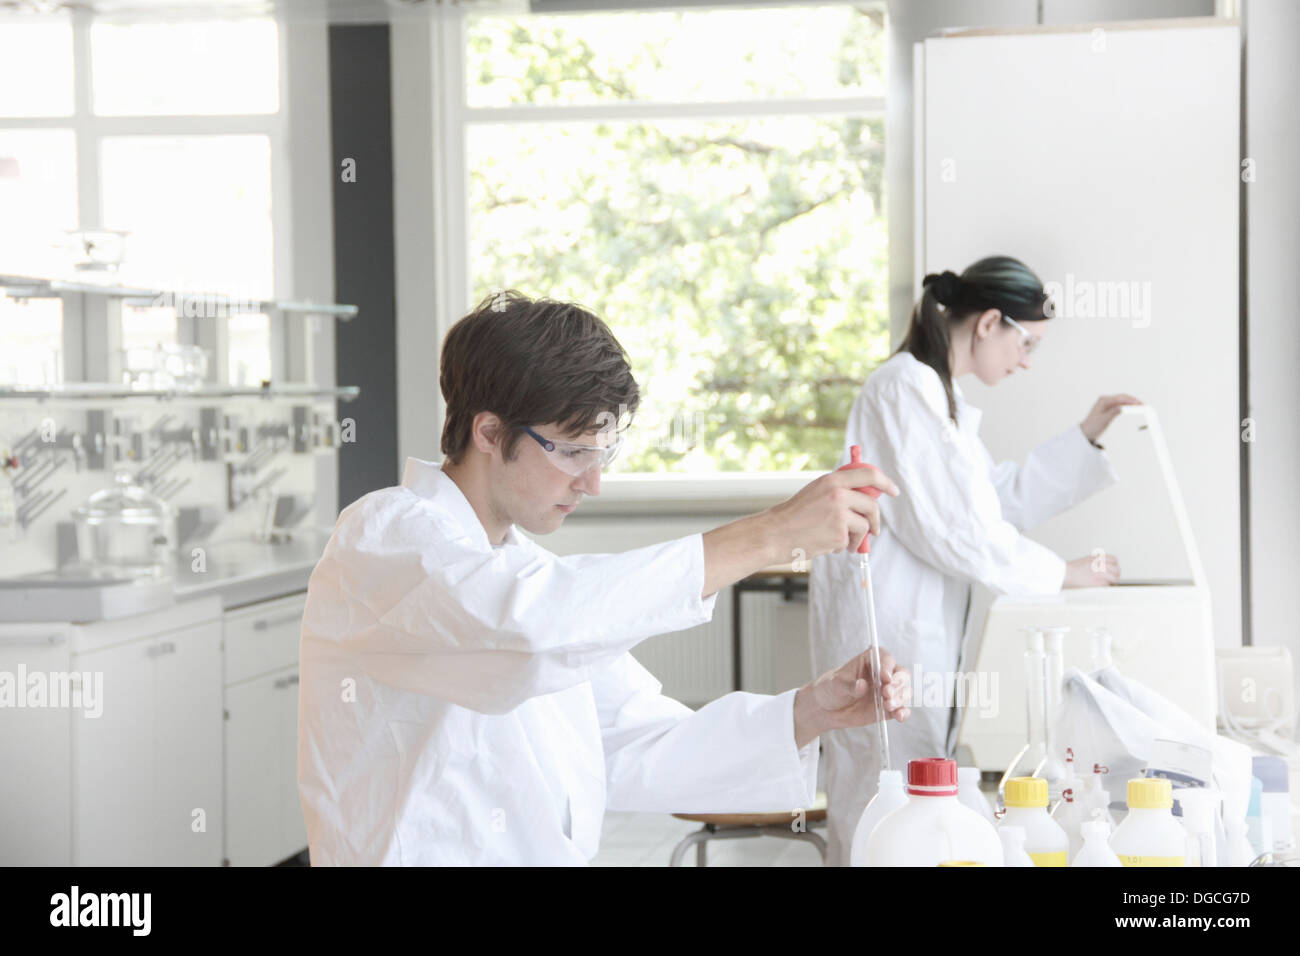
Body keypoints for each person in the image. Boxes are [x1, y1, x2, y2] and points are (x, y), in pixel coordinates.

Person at [298, 291, 911, 865]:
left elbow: (638, 741)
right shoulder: (384, 537)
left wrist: (810, 711)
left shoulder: (529, 573)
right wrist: (775, 533)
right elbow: (526, 635)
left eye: (603, 452)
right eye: (571, 451)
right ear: (488, 432)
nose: (592, 483)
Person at [809, 255, 1141, 866]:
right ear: (990, 322)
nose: (1025, 361)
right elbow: (954, 529)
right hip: (887, 617)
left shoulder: (940, 398)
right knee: (882, 787)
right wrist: (1061, 574)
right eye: (1027, 342)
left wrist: (1087, 435)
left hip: (917, 619)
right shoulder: (905, 386)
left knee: (910, 787)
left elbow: (993, 504)